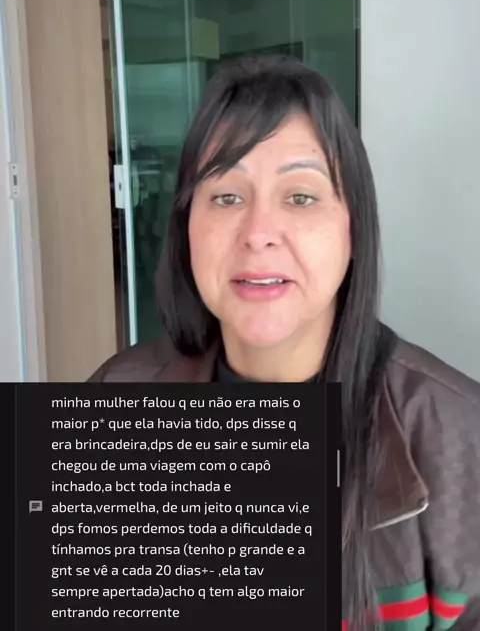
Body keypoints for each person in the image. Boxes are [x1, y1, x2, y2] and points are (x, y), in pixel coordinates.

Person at [89, 55, 480, 629]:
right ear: (186, 226)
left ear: (353, 228)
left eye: (300, 197)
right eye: (226, 197)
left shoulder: (459, 437)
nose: (258, 234)